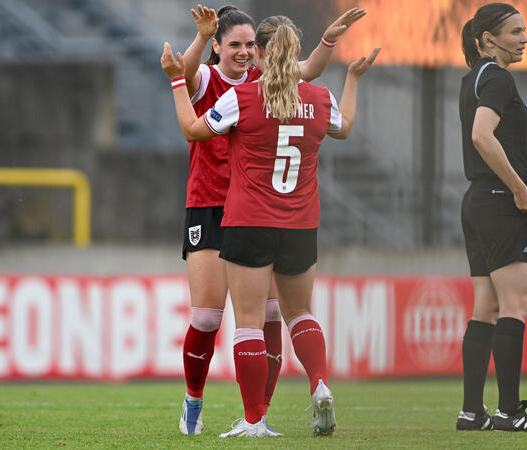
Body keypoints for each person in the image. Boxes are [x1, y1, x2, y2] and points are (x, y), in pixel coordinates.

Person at [162, 12, 379, 437]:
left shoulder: (260, 84)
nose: (243, 53)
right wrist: (200, 38)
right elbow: (185, 75)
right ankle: (195, 400)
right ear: (218, 48)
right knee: (207, 317)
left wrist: (327, 43)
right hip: (217, 205)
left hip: (251, 211)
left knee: (268, 315)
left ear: (260, 52)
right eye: (234, 45)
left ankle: (258, 413)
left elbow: (306, 69)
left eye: (249, 45)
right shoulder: (210, 78)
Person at [456, 3, 527, 432]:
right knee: (514, 306)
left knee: (486, 307)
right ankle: (510, 412)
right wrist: (519, 188)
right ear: (488, 39)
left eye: (524, 30)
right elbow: (482, 135)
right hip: (502, 201)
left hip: (478, 200)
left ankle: (471, 412)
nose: (524, 39)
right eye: (515, 32)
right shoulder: (498, 77)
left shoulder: (473, 77)